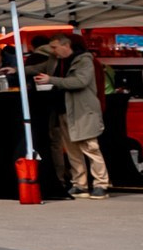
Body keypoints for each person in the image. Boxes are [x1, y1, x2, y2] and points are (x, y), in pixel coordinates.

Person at [30, 33, 106, 197]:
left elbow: (80, 82)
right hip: (64, 110)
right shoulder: (56, 60)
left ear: (66, 45)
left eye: (55, 47)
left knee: (90, 147)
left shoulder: (84, 60)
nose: (52, 50)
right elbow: (37, 69)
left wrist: (51, 80)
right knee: (72, 151)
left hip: (82, 111)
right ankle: (80, 184)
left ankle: (101, 184)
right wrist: (16, 69)